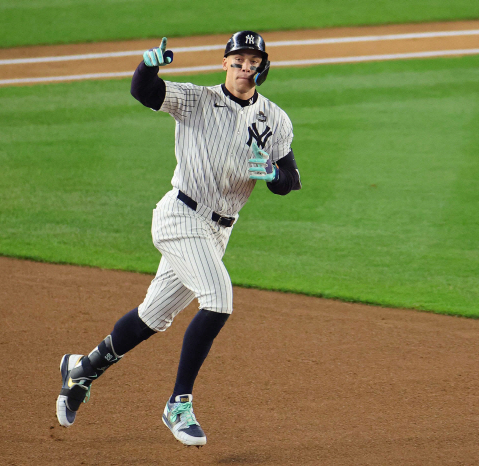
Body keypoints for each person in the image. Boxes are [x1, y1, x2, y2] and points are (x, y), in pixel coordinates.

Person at [56, 30, 301, 447]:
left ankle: (82, 369)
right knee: (219, 298)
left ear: (263, 67)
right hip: (179, 216)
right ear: (225, 63)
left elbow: (289, 180)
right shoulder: (196, 99)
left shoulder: (274, 119)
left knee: (154, 316)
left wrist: (274, 175)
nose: (245, 67)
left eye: (253, 61)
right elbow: (143, 91)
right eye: (237, 59)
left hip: (218, 231)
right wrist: (149, 65)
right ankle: (178, 404)